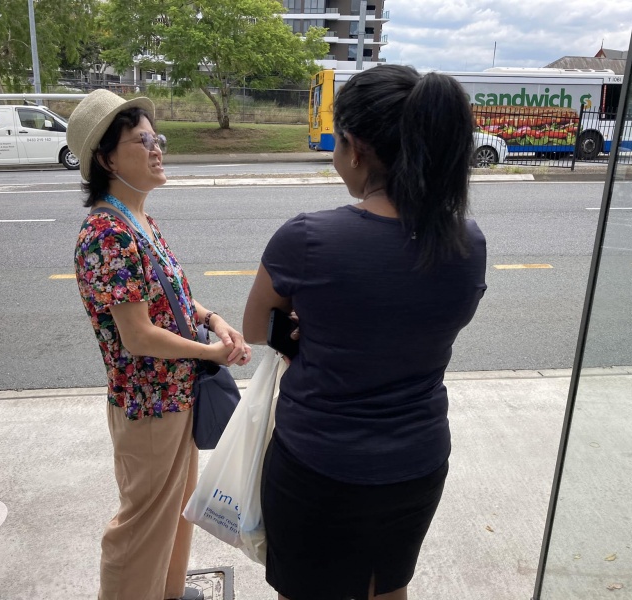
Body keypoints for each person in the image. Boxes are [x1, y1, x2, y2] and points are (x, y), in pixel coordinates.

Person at [243, 64, 488, 600]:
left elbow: (256, 327)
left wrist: (309, 326)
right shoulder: (467, 243)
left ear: (355, 149)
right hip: (417, 463)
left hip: (317, 463)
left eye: (336, 142)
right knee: (388, 590)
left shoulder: (308, 238)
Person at [68, 89, 251, 600]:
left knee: (176, 513)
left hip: (175, 396)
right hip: (148, 404)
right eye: (142, 141)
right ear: (107, 159)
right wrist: (211, 353)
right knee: (141, 526)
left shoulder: (140, 222)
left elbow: (173, 299)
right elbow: (138, 334)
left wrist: (213, 320)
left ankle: (168, 593)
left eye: (158, 139)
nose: (157, 150)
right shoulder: (107, 233)